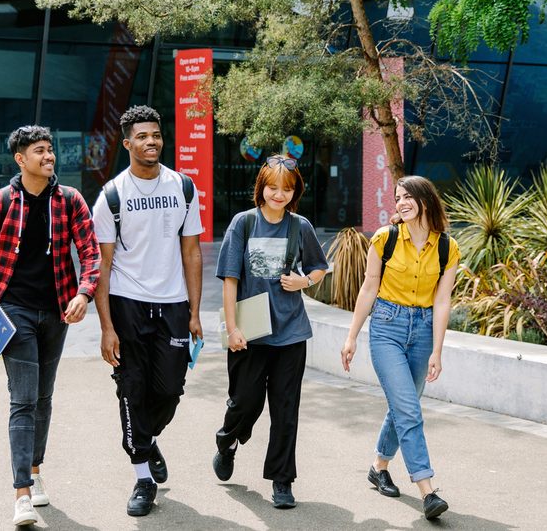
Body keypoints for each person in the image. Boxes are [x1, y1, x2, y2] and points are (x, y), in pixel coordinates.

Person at [0, 125, 100, 527]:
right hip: (13, 312)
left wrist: (84, 293)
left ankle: (35, 471)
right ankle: (21, 493)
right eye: (40, 151)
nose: (49, 156)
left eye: (50, 150)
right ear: (20, 159)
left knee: (43, 398)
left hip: (58, 312)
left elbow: (90, 252)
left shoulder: (70, 201)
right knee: (23, 399)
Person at [91, 105, 204, 517]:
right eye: (142, 136)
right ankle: (142, 475)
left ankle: (146, 438)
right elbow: (100, 266)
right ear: (127, 143)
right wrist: (106, 326)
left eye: (156, 134)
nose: (151, 141)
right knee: (132, 388)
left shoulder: (183, 187)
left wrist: (194, 311)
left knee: (170, 390)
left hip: (173, 302)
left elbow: (191, 251)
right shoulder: (111, 196)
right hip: (127, 302)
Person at [340, 175, 460, 520]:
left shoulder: (447, 247)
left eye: (408, 197)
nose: (401, 203)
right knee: (409, 409)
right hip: (387, 328)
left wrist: (438, 349)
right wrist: (351, 337)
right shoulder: (385, 238)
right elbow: (368, 289)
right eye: (398, 198)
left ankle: (379, 466)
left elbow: (442, 301)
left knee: (403, 405)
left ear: (426, 199)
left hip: (423, 330)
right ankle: (427, 489)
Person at [212, 154, 328, 509]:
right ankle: (227, 440)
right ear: (261, 187)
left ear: (295, 193)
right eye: (273, 187)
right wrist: (232, 329)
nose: (279, 195)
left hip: (291, 332)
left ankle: (282, 480)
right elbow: (230, 280)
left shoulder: (300, 227)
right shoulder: (243, 224)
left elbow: (320, 267)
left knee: (285, 407)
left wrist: (304, 281)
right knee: (246, 402)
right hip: (250, 332)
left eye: (287, 189)